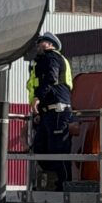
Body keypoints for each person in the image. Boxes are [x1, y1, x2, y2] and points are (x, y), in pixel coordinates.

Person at [27, 32, 73, 190]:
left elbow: (51, 78)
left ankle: (64, 184)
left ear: (51, 45)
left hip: (58, 111)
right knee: (40, 148)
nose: (38, 45)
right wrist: (40, 112)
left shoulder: (52, 57)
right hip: (49, 112)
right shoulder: (43, 60)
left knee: (58, 150)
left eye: (42, 42)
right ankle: (52, 182)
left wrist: (37, 98)